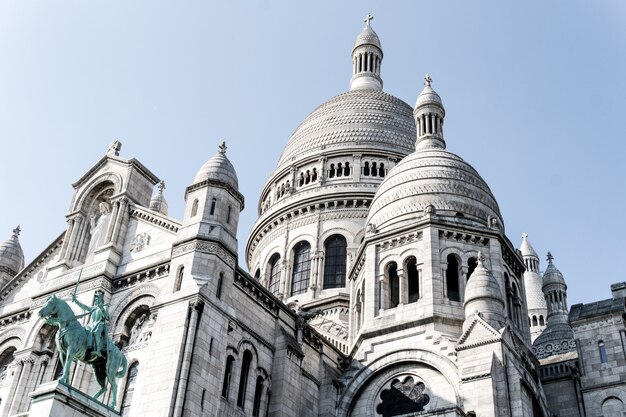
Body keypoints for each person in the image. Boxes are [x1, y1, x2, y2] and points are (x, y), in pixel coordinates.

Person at [72, 291, 110, 358]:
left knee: (95, 332)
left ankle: (98, 350)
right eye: (95, 299)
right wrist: (75, 300)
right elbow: (84, 306)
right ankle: (84, 347)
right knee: (84, 330)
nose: (95, 300)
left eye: (97, 298)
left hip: (100, 324)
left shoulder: (105, 307)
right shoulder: (93, 308)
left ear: (101, 299)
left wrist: (102, 308)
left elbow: (107, 317)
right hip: (92, 325)